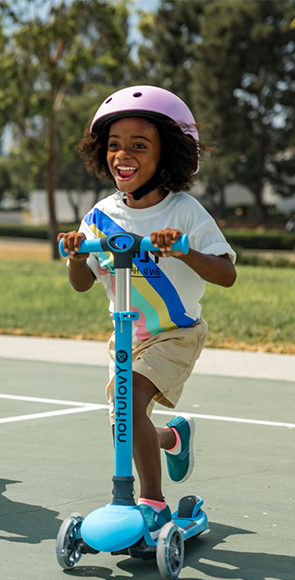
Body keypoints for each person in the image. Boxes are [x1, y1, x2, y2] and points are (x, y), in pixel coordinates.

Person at [58, 85, 236, 533]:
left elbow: (226, 273)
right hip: (126, 336)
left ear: (168, 156)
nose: (124, 154)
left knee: (128, 405)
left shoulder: (186, 211)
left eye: (140, 145)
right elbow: (80, 285)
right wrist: (78, 256)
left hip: (176, 332)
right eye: (115, 145)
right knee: (127, 417)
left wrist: (183, 251)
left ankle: (152, 504)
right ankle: (171, 438)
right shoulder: (99, 216)